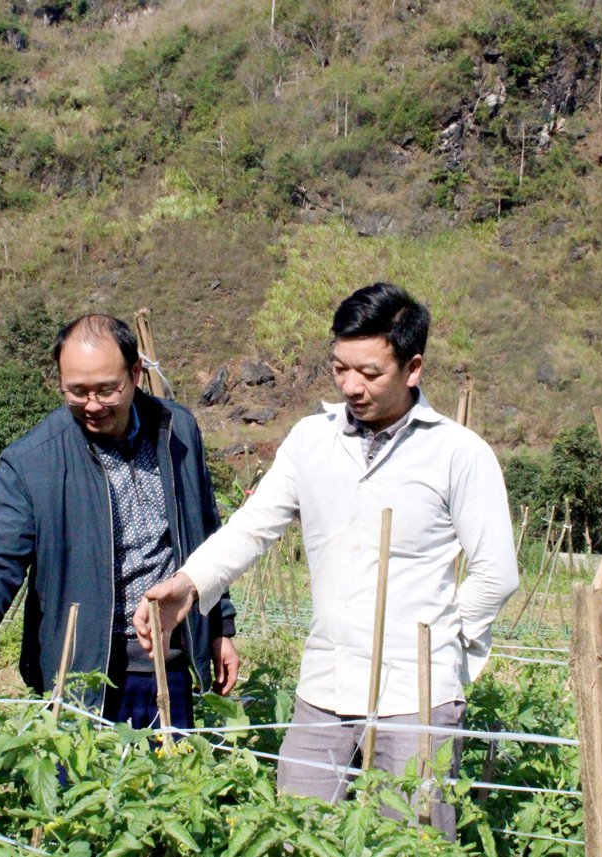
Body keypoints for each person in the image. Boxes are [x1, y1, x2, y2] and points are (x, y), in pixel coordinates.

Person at [135, 283, 518, 837]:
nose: (351, 386)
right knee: (295, 830)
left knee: (411, 841)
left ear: (413, 368)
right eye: (340, 368)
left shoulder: (458, 453)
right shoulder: (311, 439)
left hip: (418, 698)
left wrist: (443, 648)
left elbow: (496, 572)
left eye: (369, 372)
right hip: (325, 686)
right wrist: (189, 583)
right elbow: (252, 526)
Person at [0, 314, 239, 728]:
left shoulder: (177, 429)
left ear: (134, 374)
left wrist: (219, 625)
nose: (92, 405)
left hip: (170, 661)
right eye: (76, 392)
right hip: (82, 674)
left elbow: (204, 533)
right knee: (79, 789)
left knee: (172, 784)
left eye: (106, 390)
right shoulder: (32, 460)